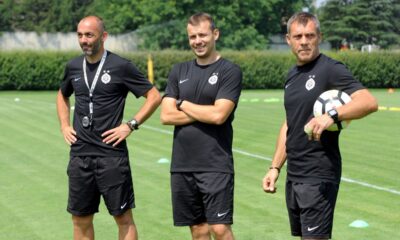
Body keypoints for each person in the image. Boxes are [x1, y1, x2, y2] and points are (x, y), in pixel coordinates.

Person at [262, 12, 378, 240]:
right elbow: (290, 124)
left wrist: (332, 115)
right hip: (295, 175)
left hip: (319, 173)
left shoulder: (330, 69)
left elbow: (369, 102)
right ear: (288, 40)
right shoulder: (292, 76)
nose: (304, 41)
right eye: (298, 36)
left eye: (309, 35)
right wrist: (275, 167)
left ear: (319, 37)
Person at [56, 15, 161, 240]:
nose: (84, 40)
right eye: (80, 35)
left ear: (103, 36)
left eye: (89, 35)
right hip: (80, 155)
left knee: (123, 218)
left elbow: (153, 96)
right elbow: (62, 95)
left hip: (111, 156)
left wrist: (130, 125)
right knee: (80, 220)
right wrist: (65, 125)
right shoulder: (73, 66)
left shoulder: (121, 66)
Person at [160, 12, 242, 240]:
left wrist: (182, 104)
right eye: (192, 36)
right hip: (182, 165)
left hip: (215, 164)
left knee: (219, 228)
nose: (198, 41)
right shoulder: (179, 70)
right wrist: (204, 110)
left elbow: (219, 115)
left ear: (215, 34)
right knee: (198, 230)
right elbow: (166, 115)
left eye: (203, 35)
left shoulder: (229, 71)